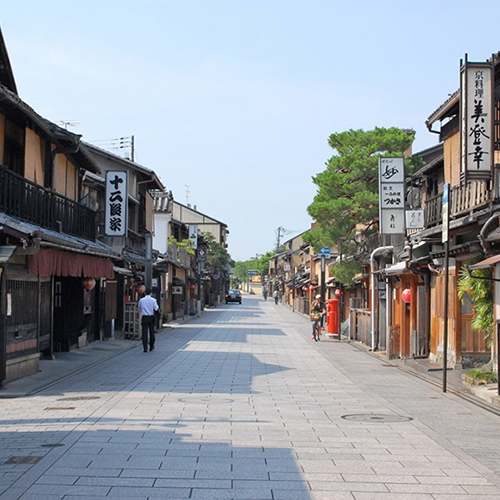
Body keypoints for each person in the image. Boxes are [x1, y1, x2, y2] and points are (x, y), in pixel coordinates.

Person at [138, 288, 159, 352]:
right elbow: (156, 308)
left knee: (144, 333)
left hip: (144, 317)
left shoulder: (141, 300)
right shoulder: (153, 300)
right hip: (151, 317)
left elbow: (139, 308)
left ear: (144, 293)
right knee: (151, 332)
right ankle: (151, 346)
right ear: (151, 293)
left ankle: (145, 348)